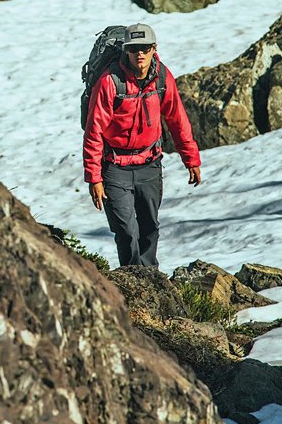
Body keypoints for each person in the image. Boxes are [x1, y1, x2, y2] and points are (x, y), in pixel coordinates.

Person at [83, 23, 202, 267]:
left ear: (154, 49)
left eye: (145, 48)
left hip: (149, 164)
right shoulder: (109, 82)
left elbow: (177, 119)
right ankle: (133, 282)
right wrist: (94, 178)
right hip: (114, 167)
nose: (140, 54)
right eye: (135, 48)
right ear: (126, 50)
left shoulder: (162, 77)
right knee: (126, 230)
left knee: (150, 227)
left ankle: (151, 282)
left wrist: (191, 160)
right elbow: (94, 130)